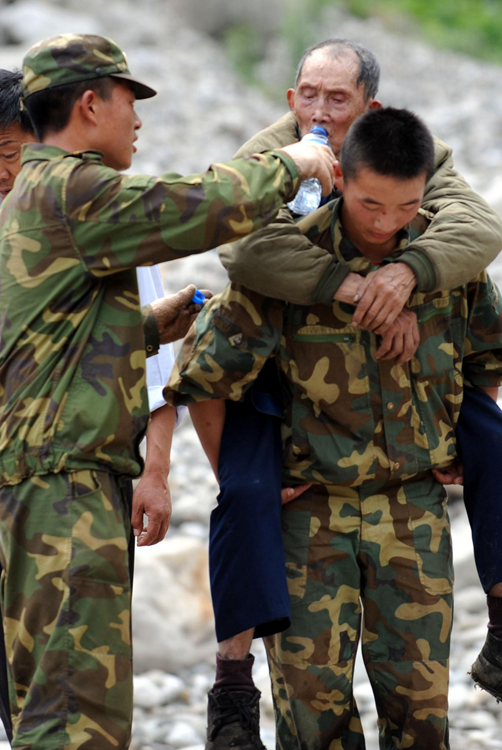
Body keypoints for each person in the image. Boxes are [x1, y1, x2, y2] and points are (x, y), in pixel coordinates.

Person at [187, 39, 502, 747]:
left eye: (339, 99)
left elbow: (489, 344)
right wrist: (244, 481)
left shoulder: (435, 226)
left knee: (421, 717)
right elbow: (205, 372)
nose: (383, 221)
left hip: (411, 513)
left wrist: (462, 430)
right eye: (310, 94)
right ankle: (230, 684)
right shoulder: (281, 236)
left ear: (372, 108)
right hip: (312, 520)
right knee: (314, 720)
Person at [0, 33, 335, 750]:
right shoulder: (71, 187)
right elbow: (194, 204)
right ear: (90, 104)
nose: (138, 121)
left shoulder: (31, 195)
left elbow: (43, 344)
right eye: (129, 102)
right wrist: (292, 163)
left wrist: (147, 327)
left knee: (51, 706)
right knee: (71, 719)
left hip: (44, 487)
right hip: (63, 491)